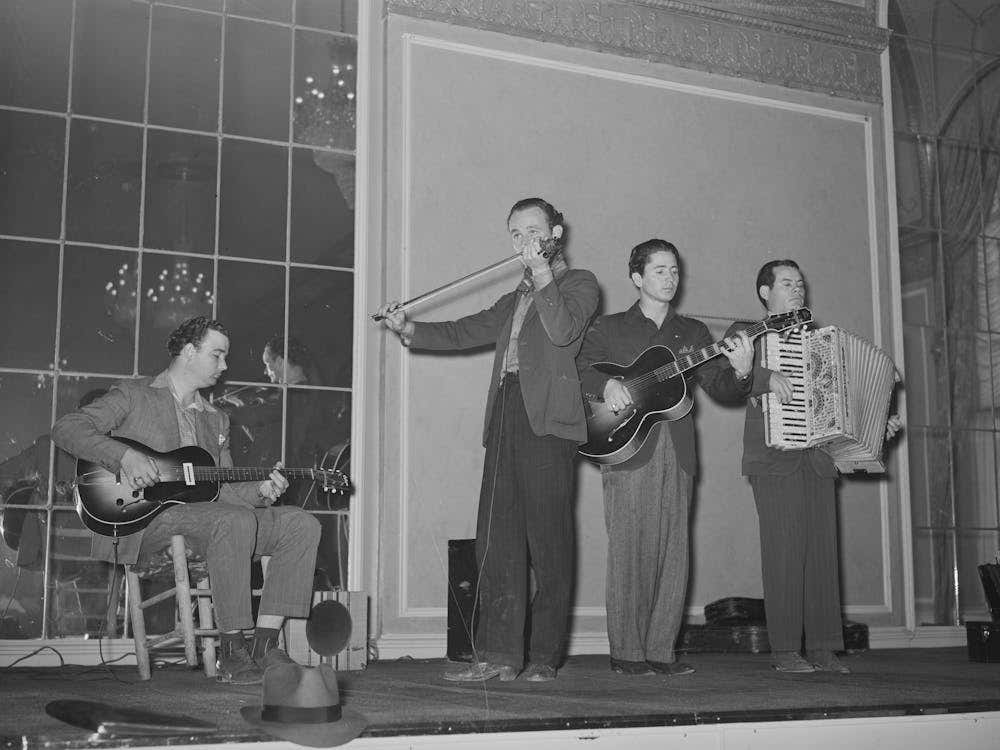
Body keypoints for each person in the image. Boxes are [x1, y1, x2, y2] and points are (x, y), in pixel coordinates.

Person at [377, 197, 599, 682]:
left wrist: (542, 275)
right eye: (516, 235)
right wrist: (409, 328)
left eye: (533, 231)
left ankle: (542, 656)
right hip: (506, 410)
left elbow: (562, 331)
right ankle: (499, 654)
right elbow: (466, 330)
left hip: (549, 423)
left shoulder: (579, 286)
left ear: (555, 234)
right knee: (496, 540)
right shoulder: (515, 297)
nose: (524, 243)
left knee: (549, 542)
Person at [51, 316, 321, 685]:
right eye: (217, 355)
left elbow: (221, 489)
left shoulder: (217, 420)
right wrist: (125, 457)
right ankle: (233, 650)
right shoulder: (135, 395)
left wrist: (261, 491)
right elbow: (66, 428)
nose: (225, 366)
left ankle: (265, 644)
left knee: (301, 523)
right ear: (189, 351)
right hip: (144, 521)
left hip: (209, 520)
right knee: (233, 520)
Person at [577, 239, 755, 676]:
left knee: (673, 553)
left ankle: (661, 651)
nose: (670, 278)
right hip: (625, 447)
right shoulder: (609, 327)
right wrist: (606, 386)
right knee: (628, 551)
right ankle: (627, 653)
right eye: (660, 270)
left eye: (674, 270)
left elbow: (720, 387)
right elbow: (578, 367)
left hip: (676, 450)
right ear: (637, 278)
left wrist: (744, 370)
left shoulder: (692, 334)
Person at [725, 260, 902, 674]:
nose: (798, 288)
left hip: (820, 460)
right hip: (774, 460)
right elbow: (724, 374)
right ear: (765, 292)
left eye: (800, 283)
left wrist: (878, 424)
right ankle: (785, 648)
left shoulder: (825, 343)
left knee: (822, 554)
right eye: (787, 283)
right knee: (783, 552)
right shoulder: (748, 332)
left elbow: (845, 406)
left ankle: (823, 645)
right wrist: (763, 376)